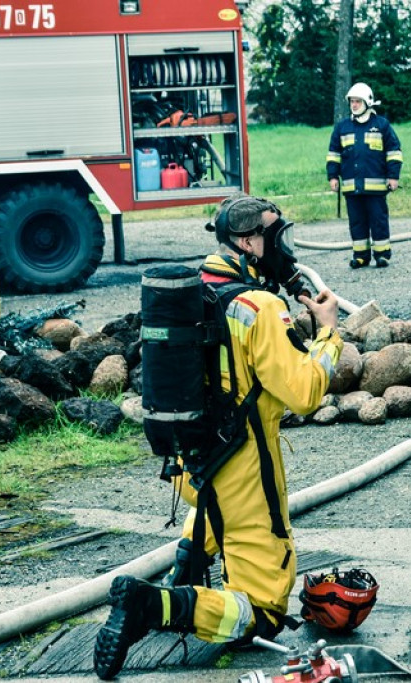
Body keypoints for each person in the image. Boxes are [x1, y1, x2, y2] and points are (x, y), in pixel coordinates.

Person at [94, 194, 343, 680]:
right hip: (243, 468)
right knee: (263, 608)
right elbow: (305, 393)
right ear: (248, 243)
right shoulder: (260, 307)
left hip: (191, 462)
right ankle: (156, 607)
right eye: (275, 239)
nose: (282, 249)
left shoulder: (194, 289)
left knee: (213, 515)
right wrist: (329, 336)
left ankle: (183, 571)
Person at [326, 82, 403, 269]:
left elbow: (394, 152)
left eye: (357, 101)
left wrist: (393, 177)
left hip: (376, 189)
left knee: (378, 221)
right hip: (352, 188)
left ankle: (382, 254)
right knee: (357, 222)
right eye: (352, 101)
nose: (354, 105)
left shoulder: (381, 125)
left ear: (368, 102)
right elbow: (334, 154)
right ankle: (360, 255)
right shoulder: (342, 127)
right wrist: (333, 177)